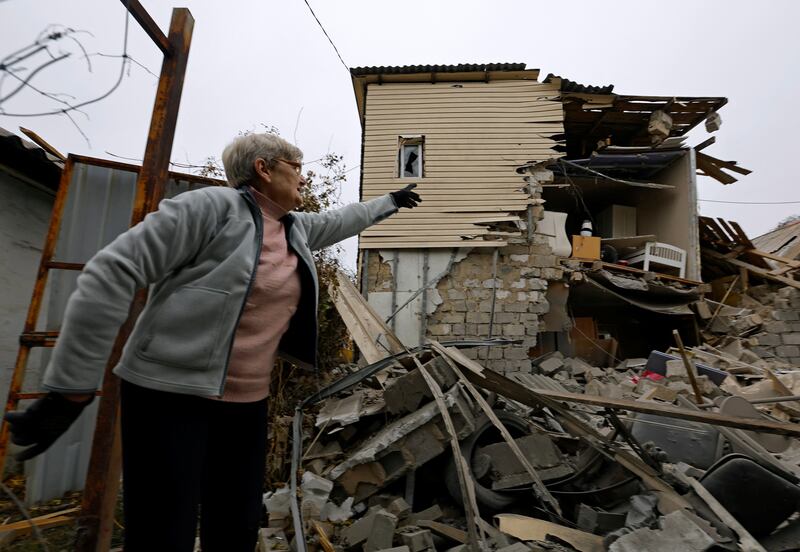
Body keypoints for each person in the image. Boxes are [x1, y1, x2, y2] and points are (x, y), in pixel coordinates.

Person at [3, 133, 421, 551]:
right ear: (264, 167)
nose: (303, 180)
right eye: (296, 168)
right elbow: (111, 272)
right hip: (168, 396)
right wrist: (71, 389)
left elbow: (342, 219)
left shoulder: (294, 230)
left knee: (235, 528)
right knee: (165, 532)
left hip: (245, 406)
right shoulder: (209, 209)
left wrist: (390, 202)